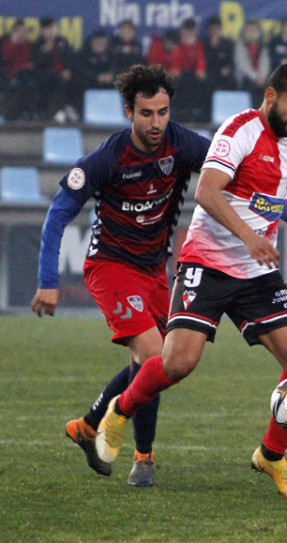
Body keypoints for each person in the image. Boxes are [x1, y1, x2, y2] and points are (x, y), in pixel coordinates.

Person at [95, 62, 287, 500]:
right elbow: (208, 190)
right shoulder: (240, 129)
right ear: (270, 95)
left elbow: (261, 199)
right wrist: (249, 238)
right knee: (176, 364)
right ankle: (119, 411)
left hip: (256, 273)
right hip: (207, 265)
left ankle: (271, 455)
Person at [31, 64, 211, 487]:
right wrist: (48, 281)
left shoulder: (181, 144)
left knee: (151, 363)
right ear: (129, 111)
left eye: (163, 112)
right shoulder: (106, 159)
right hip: (111, 267)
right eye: (147, 113)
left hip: (154, 270)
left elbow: (228, 172)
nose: (156, 123)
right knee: (154, 356)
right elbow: (57, 216)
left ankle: (90, 425)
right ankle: (143, 459)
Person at [32, 16, 77, 123]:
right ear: (43, 30)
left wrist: (68, 70)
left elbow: (70, 58)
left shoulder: (62, 41)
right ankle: (58, 111)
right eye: (48, 28)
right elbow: (37, 64)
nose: (51, 31)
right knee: (57, 80)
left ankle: (71, 108)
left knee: (78, 79)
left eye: (53, 28)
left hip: (63, 72)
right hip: (46, 74)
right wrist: (45, 52)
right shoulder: (38, 44)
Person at [0, 19, 37, 120]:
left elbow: (35, 61)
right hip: (12, 74)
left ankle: (30, 113)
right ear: (14, 32)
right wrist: (14, 43)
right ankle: (25, 113)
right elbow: (5, 59)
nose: (23, 34)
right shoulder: (7, 44)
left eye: (24, 31)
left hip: (28, 74)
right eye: (20, 31)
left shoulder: (30, 44)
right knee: (22, 78)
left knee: (28, 80)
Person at [233, 19, 271, 104]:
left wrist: (262, 77)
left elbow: (265, 64)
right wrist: (256, 78)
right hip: (245, 80)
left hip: (261, 81)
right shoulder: (240, 45)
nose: (251, 33)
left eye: (254, 30)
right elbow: (243, 65)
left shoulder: (263, 47)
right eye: (248, 30)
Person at [202, 15, 235, 91]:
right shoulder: (203, 44)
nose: (214, 32)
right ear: (208, 31)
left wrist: (229, 68)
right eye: (212, 29)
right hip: (209, 74)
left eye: (217, 29)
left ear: (221, 30)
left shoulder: (228, 44)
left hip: (224, 76)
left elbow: (233, 61)